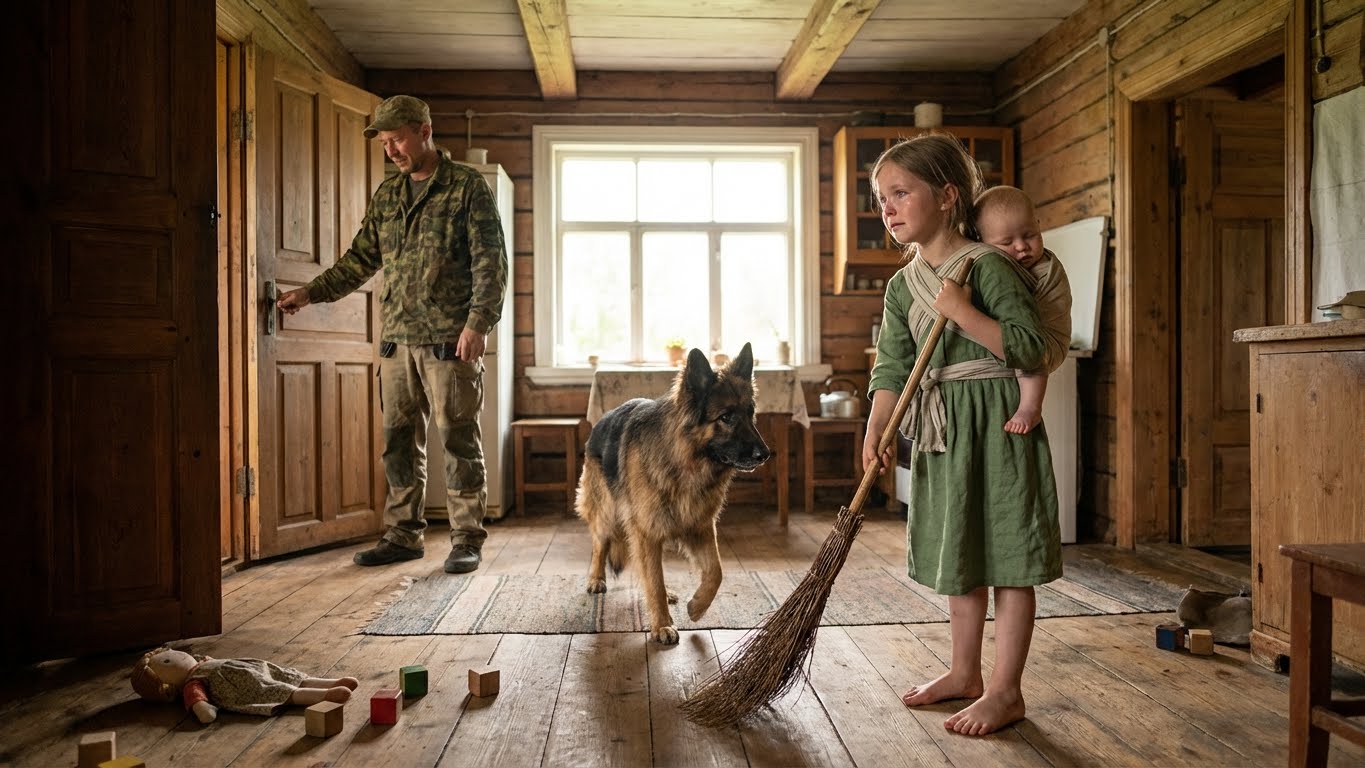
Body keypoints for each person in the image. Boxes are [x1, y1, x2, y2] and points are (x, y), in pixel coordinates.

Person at [863, 134, 1061, 736]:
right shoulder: (903, 286)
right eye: (881, 199)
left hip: (998, 420)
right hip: (943, 429)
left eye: (901, 193)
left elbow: (1032, 350)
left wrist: (965, 313)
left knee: (1007, 556)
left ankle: (1006, 692)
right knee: (961, 554)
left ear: (947, 196)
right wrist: (876, 428)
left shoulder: (991, 265)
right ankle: (963, 673)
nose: (889, 209)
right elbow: (892, 366)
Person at [276, 95, 508, 574]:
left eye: (397, 138)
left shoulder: (466, 187)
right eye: (384, 142)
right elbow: (360, 260)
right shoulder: (387, 195)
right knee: (398, 442)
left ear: (424, 130)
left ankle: (467, 538)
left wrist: (477, 324)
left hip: (450, 339)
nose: (392, 150)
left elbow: (491, 261)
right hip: (397, 340)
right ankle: (403, 534)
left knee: (459, 440)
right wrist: (310, 293)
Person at [971, 185, 1072, 434]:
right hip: (1023, 336)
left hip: (1048, 338)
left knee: (1030, 352)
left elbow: (1027, 335)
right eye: (1007, 242)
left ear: (1038, 225)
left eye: (1029, 235)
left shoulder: (1044, 269)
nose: (1021, 246)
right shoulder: (999, 268)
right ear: (982, 243)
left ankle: (1030, 407)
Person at [131, 646, 359, 724]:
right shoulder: (192, 683)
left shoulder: (203, 662)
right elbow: (201, 705)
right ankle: (324, 695)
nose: (178, 655)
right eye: (168, 660)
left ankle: (329, 682)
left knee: (283, 674)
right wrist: (205, 710)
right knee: (278, 690)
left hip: (251, 668)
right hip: (241, 686)